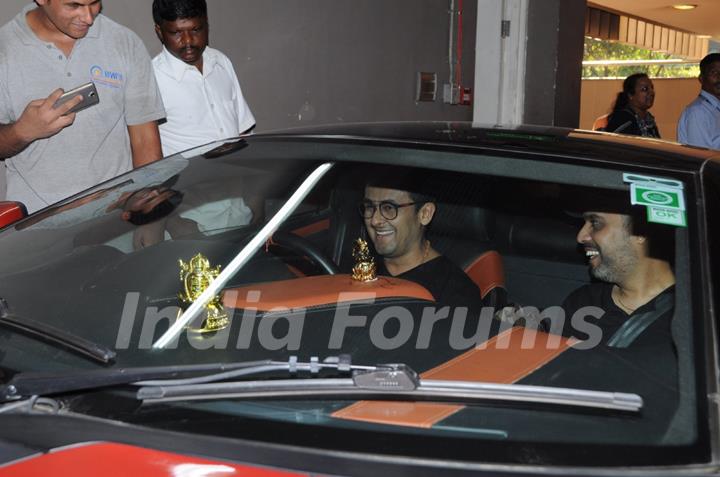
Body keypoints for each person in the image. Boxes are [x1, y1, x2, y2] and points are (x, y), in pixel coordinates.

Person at [0, 0, 165, 213]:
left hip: (115, 222)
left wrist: (147, 218)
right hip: (38, 229)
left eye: (95, 3)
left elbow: (145, 143)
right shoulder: (4, 49)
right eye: (74, 5)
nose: (88, 17)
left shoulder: (124, 42)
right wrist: (23, 131)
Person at [152, 0, 255, 157]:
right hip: (189, 180)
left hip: (237, 172)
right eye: (177, 33)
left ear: (207, 24)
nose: (188, 41)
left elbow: (243, 127)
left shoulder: (220, 61)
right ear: (159, 32)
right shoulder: (151, 79)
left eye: (196, 30)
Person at [360, 182, 485, 312]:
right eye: (369, 207)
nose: (375, 220)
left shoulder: (456, 293)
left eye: (389, 208)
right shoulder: (356, 269)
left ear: (425, 213)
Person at [677, 53, 720, 149]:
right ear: (701, 78)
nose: (719, 78)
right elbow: (702, 158)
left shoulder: (715, 108)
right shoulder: (698, 112)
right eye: (714, 73)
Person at [605, 73, 660, 138]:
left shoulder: (648, 119)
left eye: (652, 88)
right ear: (630, 95)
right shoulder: (623, 120)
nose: (651, 92)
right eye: (645, 89)